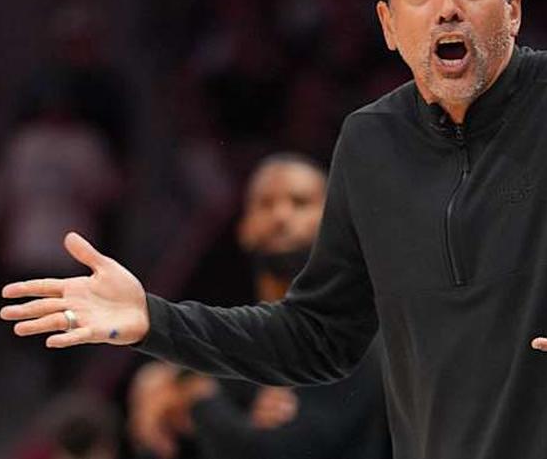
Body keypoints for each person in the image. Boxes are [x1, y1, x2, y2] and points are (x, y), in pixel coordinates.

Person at [1, 0, 547, 459]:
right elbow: (318, 336)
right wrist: (155, 319)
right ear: (389, 25)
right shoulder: (371, 142)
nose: (448, 6)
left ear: (512, 8)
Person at [127, 154, 390, 459]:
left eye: (300, 202)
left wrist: (199, 402)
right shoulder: (234, 346)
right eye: (265, 204)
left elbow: (284, 451)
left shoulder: (356, 334)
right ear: (245, 227)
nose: (281, 216)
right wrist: (166, 388)